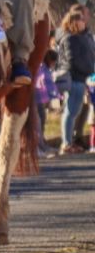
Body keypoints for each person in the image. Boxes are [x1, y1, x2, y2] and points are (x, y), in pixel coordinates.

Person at [56, 10, 95, 154]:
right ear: (73, 22)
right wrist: (88, 71)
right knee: (71, 112)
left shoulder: (86, 37)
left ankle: (70, 142)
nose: (84, 22)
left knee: (74, 111)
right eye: (81, 20)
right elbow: (72, 61)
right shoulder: (69, 39)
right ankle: (66, 143)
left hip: (85, 79)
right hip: (75, 79)